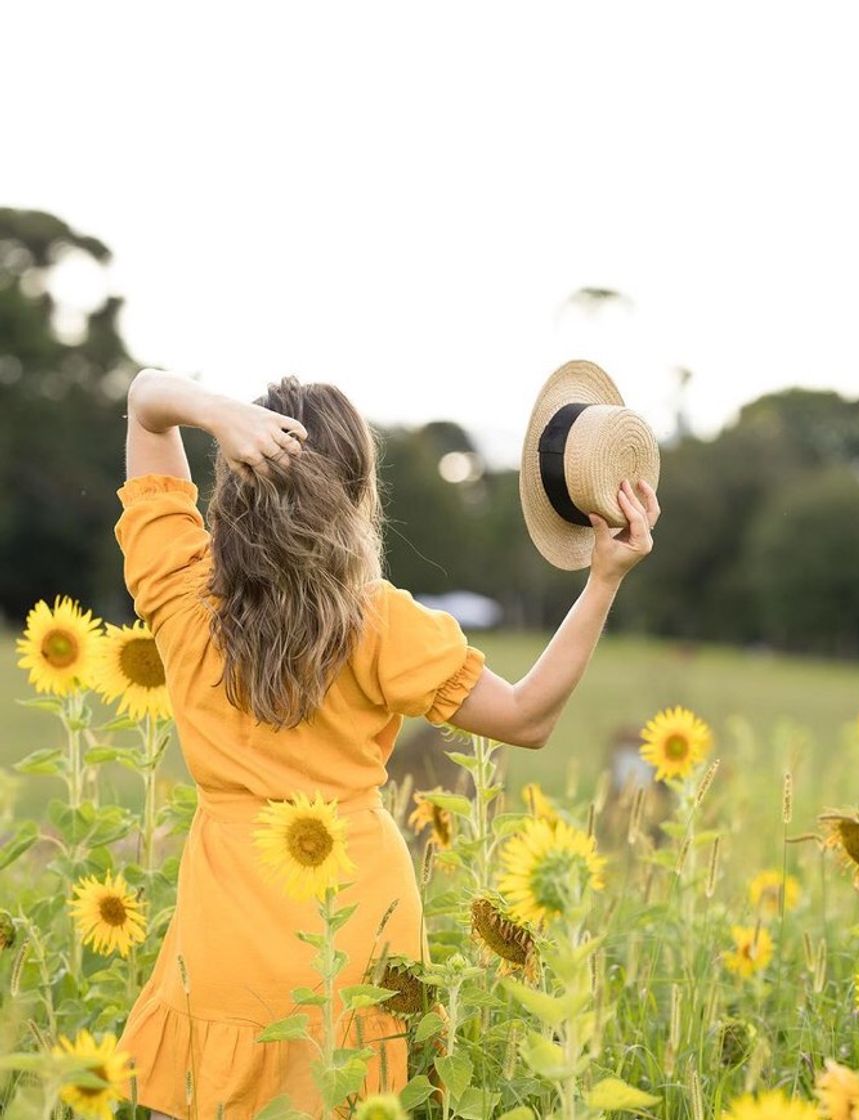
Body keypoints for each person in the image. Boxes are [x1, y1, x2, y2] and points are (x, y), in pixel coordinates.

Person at [113, 368, 659, 1119]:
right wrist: (601, 581)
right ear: (358, 491)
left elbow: (146, 402)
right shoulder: (379, 623)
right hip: (359, 924)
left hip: (224, 934)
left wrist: (215, 413)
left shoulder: (177, 586)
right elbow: (528, 718)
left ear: (233, 475)